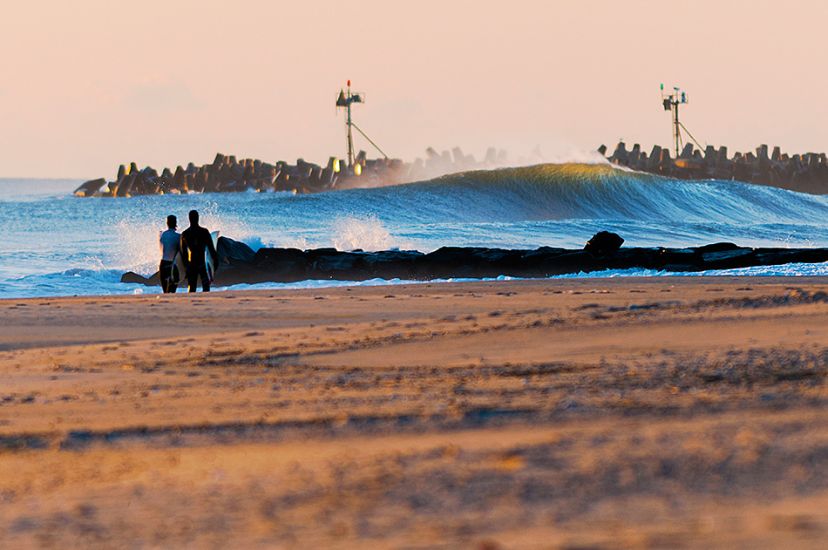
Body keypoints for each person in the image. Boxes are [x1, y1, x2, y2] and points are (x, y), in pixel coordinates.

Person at [180, 209, 218, 292]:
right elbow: (211, 248)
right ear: (198, 218)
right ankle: (206, 301)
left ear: (189, 219)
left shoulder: (185, 233)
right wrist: (215, 262)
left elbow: (184, 254)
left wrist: (186, 266)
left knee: (192, 286)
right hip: (202, 262)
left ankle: (191, 302)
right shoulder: (204, 232)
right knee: (206, 285)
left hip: (192, 263)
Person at [158, 215, 181, 293]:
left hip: (163, 263)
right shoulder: (178, 236)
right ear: (176, 223)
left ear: (167, 223)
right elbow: (180, 251)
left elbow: (162, 247)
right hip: (172, 264)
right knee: (173, 286)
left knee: (165, 290)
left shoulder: (163, 235)